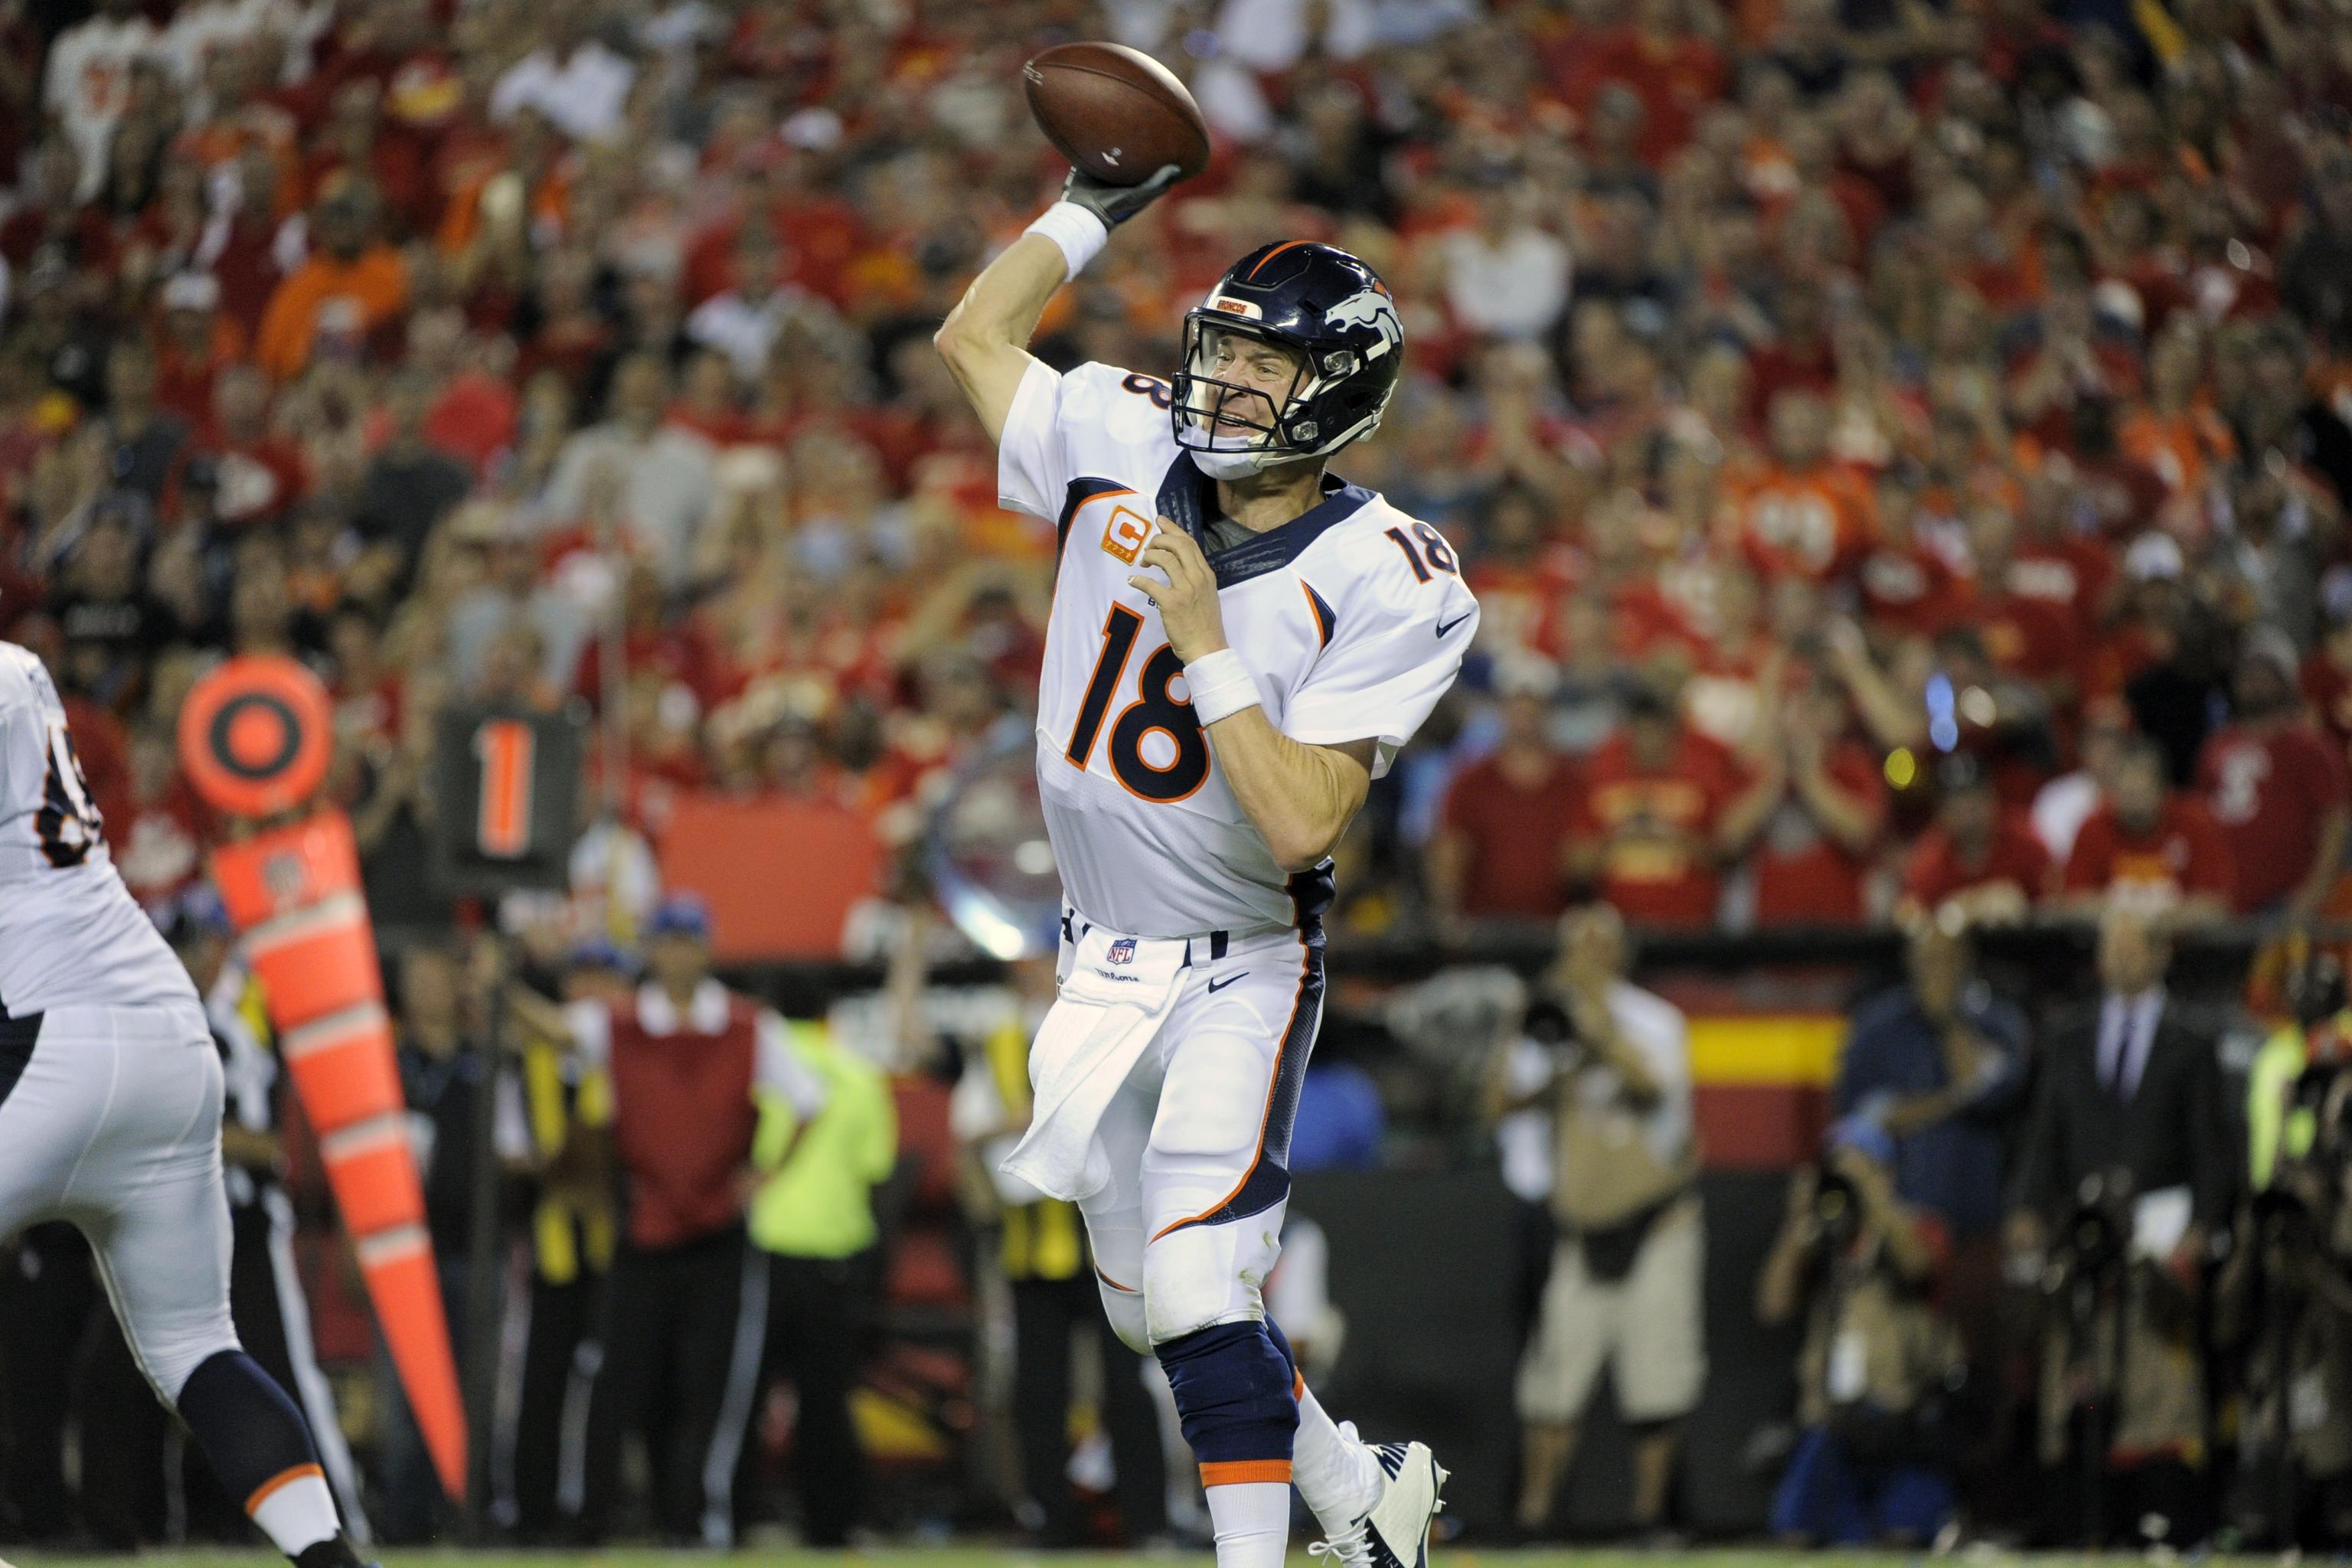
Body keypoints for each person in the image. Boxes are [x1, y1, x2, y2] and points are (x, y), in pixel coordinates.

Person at [934, 156, 1468, 1568]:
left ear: (1338, 396)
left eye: (1263, 366)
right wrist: (1088, 206)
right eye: (1218, 351)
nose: (1223, 386)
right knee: (1149, 1305)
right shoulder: (1119, 435)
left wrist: (1208, 645)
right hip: (1093, 956)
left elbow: (1302, 820)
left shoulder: (1389, 571)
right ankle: (1360, 1493)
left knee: (1192, 1284)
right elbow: (975, 337)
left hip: (1241, 962)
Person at [0, 641, 370, 1568]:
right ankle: (333, 1561)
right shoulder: (24, 672)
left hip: (52, 1038)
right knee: (197, 1346)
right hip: (167, 1036)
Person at [511, 894, 828, 1547]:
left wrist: (763, 1175)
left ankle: (695, 1524)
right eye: (668, 941)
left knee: (709, 1389)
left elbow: (808, 1101)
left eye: (688, 941)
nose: (678, 954)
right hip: (643, 1230)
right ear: (652, 951)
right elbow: (554, 1030)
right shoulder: (620, 1024)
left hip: (716, 1234)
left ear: (704, 950)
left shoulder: (746, 1027)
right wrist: (500, 988)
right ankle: (589, 1520)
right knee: (616, 1384)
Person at [2007, 905, 2236, 1546]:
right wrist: (2026, 1208)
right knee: (2073, 1367)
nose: (2116, 960)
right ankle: (2077, 1509)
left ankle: (2160, 1507)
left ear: (2161, 955)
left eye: (2131, 948)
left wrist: (2204, 1225)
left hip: (2158, 1230)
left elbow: (2213, 1146)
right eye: (2110, 947)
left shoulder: (2191, 1038)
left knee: (2156, 1375)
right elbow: (2045, 1131)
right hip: (2080, 1229)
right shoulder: (2068, 1034)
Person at [950, 956, 1174, 1548]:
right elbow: (969, 1136)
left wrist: (1015, 1125)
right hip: (1030, 1239)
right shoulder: (995, 1043)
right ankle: (1050, 1521)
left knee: (1126, 1385)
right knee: (1037, 1392)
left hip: (1106, 1233)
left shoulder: (1109, 1026)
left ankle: (1146, 1518)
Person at [1499, 905, 1703, 1539]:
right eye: (1577, 948)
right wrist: (1530, 1026)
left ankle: (1648, 1520)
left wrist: (1599, 1029)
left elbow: (1651, 1088)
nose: (1588, 960)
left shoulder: (1654, 1020)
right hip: (1581, 1229)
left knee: (1657, 1382)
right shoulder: (1550, 1021)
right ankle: (1535, 1519)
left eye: (1599, 947)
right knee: (1553, 1384)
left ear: (1621, 954)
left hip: (1656, 1222)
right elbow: (1500, 1103)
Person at [1757, 1119, 1963, 1548]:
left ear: (1886, 1173)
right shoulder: (1822, 1237)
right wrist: (1798, 1222)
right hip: (1830, 1423)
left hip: (1901, 1420)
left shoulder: (1921, 1224)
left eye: (1860, 1167)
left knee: (1903, 1538)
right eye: (1837, 1167)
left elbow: (1919, 1266)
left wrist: (1875, 1199)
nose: (1846, 1179)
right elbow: (1773, 1305)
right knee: (1797, 1534)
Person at [743, 1013, 897, 1547]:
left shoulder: (758, 1069)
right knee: (826, 1399)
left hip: (763, 1243)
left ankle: (734, 1517)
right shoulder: (859, 1075)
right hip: (834, 1249)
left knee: (743, 1395)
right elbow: (876, 1168)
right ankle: (828, 1526)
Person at [2197, 626, 2350, 920]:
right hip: (2224, 900)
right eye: (2246, 674)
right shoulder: (2216, 746)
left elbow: (2335, 820)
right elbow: (2202, 817)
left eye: (2263, 674)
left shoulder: (2309, 746)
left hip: (2285, 899)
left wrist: (2314, 891)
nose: (2253, 682)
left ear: (2284, 681)